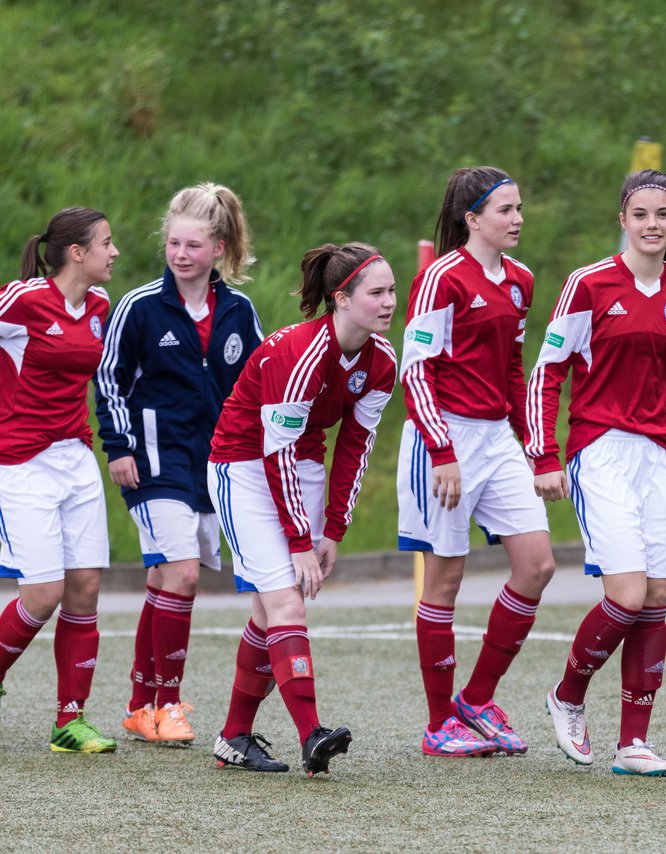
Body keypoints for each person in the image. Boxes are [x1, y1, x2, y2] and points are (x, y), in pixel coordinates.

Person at [527, 169, 666, 777]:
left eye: (663, 214)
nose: (652, 224)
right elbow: (548, 371)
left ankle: (633, 743)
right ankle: (568, 695)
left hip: (661, 456)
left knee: (656, 597)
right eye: (640, 214)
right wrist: (545, 455)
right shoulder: (587, 284)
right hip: (600, 450)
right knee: (627, 595)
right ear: (623, 220)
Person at [206, 242, 397, 776]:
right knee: (288, 605)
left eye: (391, 291)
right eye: (376, 292)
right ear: (341, 299)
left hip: (300, 468)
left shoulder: (382, 361)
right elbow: (275, 452)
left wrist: (333, 529)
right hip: (243, 466)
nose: (389, 302)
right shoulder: (297, 353)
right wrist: (298, 542)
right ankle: (311, 736)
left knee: (271, 612)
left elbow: (355, 447)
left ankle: (233, 737)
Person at [95, 183, 262, 746]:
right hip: (152, 464)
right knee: (184, 576)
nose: (180, 253)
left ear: (218, 248)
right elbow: (110, 381)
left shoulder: (239, 311)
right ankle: (168, 705)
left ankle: (140, 705)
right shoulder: (140, 307)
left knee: (164, 578)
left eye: (193, 245)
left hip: (212, 467)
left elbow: (256, 385)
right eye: (173, 242)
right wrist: (117, 448)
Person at [398, 167, 556, 757]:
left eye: (520, 208)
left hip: (497, 440)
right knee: (446, 579)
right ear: (472, 219)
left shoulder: (521, 280)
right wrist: (442, 450)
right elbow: (416, 369)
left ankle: (476, 697)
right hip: (444, 438)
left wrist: (537, 449)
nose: (517, 219)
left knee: (537, 565)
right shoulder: (439, 279)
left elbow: (515, 371)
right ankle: (440, 724)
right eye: (506, 210)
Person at [0, 207, 119, 753]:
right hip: (22, 463)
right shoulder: (21, 300)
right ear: (77, 253)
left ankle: (69, 721)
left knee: (85, 590)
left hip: (77, 460)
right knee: (42, 593)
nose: (114, 253)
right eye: (106, 243)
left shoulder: (99, 306)